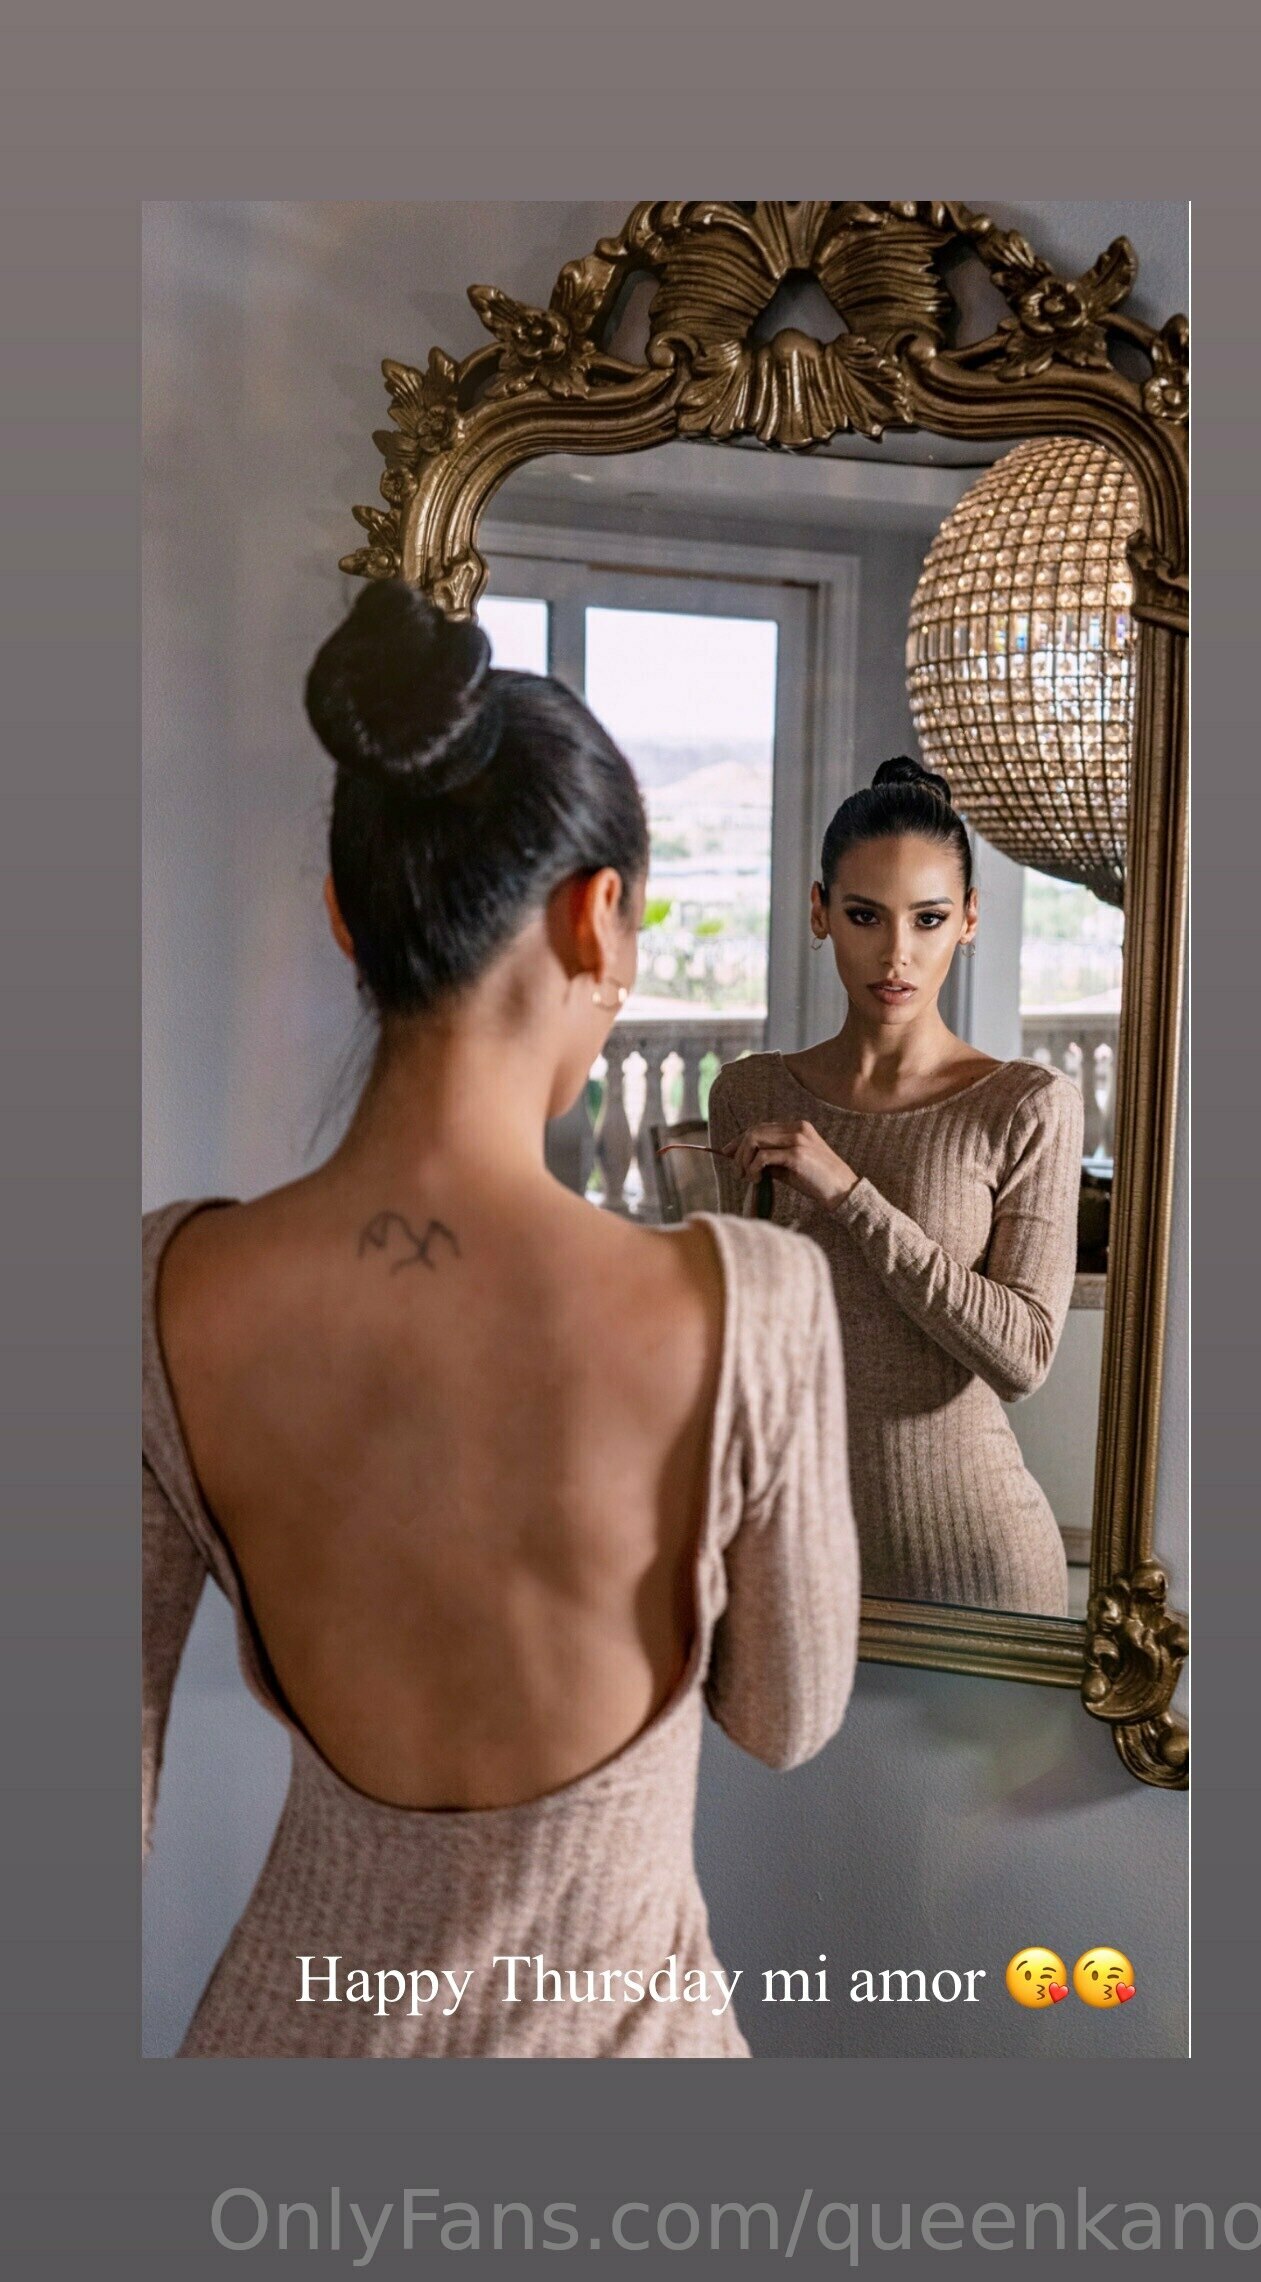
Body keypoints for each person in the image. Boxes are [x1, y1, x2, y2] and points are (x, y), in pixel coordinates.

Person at [143, 580, 858, 2059]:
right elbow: (787, 1717)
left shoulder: (163, 1293)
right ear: (597, 918)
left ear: (344, 915)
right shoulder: (751, 1306)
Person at [709, 758, 1083, 1618]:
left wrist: (849, 1193)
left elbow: (1024, 1355)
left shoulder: (1026, 1105)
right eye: (865, 916)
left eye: (929, 918)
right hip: (800, 1571)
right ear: (820, 912)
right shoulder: (750, 1095)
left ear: (970, 920)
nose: (896, 954)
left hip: (980, 1578)